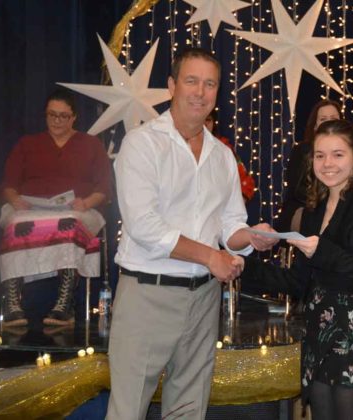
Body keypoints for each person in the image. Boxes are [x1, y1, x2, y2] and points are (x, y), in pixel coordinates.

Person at [108, 47, 277, 420]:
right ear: (172, 86)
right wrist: (211, 257)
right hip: (148, 295)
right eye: (191, 81)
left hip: (203, 299)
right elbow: (144, 225)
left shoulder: (222, 156)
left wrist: (251, 236)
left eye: (210, 84)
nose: (200, 92)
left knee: (189, 410)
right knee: (127, 411)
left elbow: (230, 225)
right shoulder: (141, 143)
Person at [242, 119, 353, 420]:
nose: (327, 163)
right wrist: (243, 267)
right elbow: (299, 282)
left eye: (338, 154)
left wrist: (323, 251)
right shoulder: (314, 208)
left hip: (351, 333)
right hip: (316, 332)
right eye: (320, 155)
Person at [0, 88, 112, 327]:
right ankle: (12, 302)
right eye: (52, 115)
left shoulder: (91, 144)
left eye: (63, 116)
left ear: (74, 117)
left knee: (68, 223)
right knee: (15, 223)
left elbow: (104, 187)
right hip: (31, 209)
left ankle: (65, 303)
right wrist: (15, 199)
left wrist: (86, 202)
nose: (57, 121)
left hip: (77, 209)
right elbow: (9, 185)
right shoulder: (27, 144)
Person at [275, 99, 342, 232]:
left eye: (333, 119)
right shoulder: (302, 150)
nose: (329, 123)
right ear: (315, 126)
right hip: (306, 208)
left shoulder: (350, 153)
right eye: (323, 119)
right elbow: (298, 190)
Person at [204, 109, 256, 202]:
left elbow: (246, 182)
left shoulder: (223, 148)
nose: (205, 124)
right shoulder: (180, 146)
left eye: (208, 120)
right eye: (201, 120)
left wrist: (238, 203)